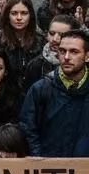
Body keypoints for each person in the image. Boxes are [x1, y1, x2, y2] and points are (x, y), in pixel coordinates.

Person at [19, 27, 89, 157]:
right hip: (50, 172)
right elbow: (28, 130)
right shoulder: (40, 89)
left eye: (74, 52)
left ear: (87, 56)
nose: (66, 57)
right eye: (62, 51)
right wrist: (40, 159)